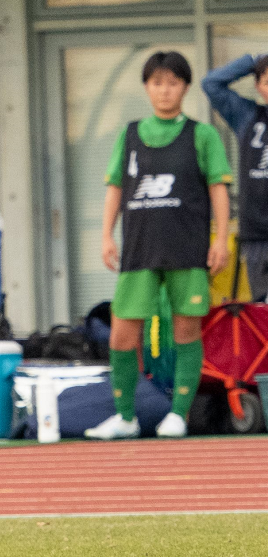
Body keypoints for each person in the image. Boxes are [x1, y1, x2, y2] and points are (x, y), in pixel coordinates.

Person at [88, 51, 232, 441]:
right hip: (139, 249)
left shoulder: (202, 135)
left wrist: (220, 240)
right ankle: (125, 416)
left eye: (173, 83)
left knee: (186, 330)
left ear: (185, 87)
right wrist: (105, 236)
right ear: (146, 87)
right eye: (157, 83)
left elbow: (219, 189)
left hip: (188, 249)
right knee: (122, 333)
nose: (165, 90)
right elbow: (115, 187)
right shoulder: (130, 134)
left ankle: (179, 415)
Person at [202, 52, 268, 301]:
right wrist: (253, 60)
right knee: (262, 315)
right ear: (258, 87)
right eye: (267, 81)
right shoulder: (247, 117)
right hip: (256, 235)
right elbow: (211, 84)